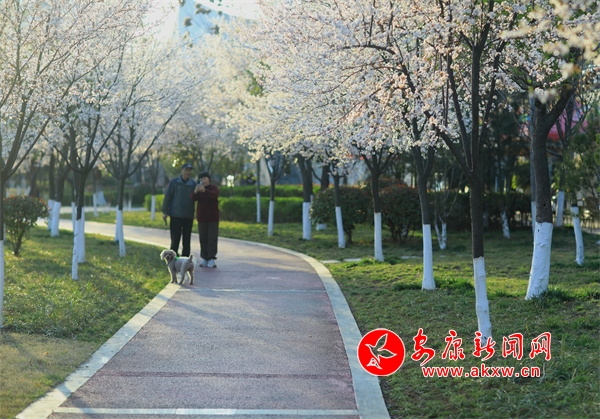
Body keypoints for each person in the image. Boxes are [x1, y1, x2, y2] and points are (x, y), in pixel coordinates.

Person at [162, 163, 197, 257]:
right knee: (175, 240)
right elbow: (167, 197)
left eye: (189, 170)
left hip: (188, 216)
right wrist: (165, 211)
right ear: (181, 170)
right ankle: (173, 260)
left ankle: (185, 260)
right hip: (175, 215)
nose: (188, 172)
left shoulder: (193, 184)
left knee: (187, 240)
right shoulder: (174, 182)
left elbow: (197, 198)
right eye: (186, 170)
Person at [192, 171, 219, 268]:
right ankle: (204, 258)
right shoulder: (198, 189)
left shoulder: (213, 188)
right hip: (202, 218)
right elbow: (192, 198)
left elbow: (214, 195)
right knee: (203, 239)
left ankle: (211, 258)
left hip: (212, 218)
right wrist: (195, 192)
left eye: (204, 178)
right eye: (201, 179)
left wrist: (205, 191)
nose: (203, 181)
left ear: (209, 179)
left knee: (212, 238)